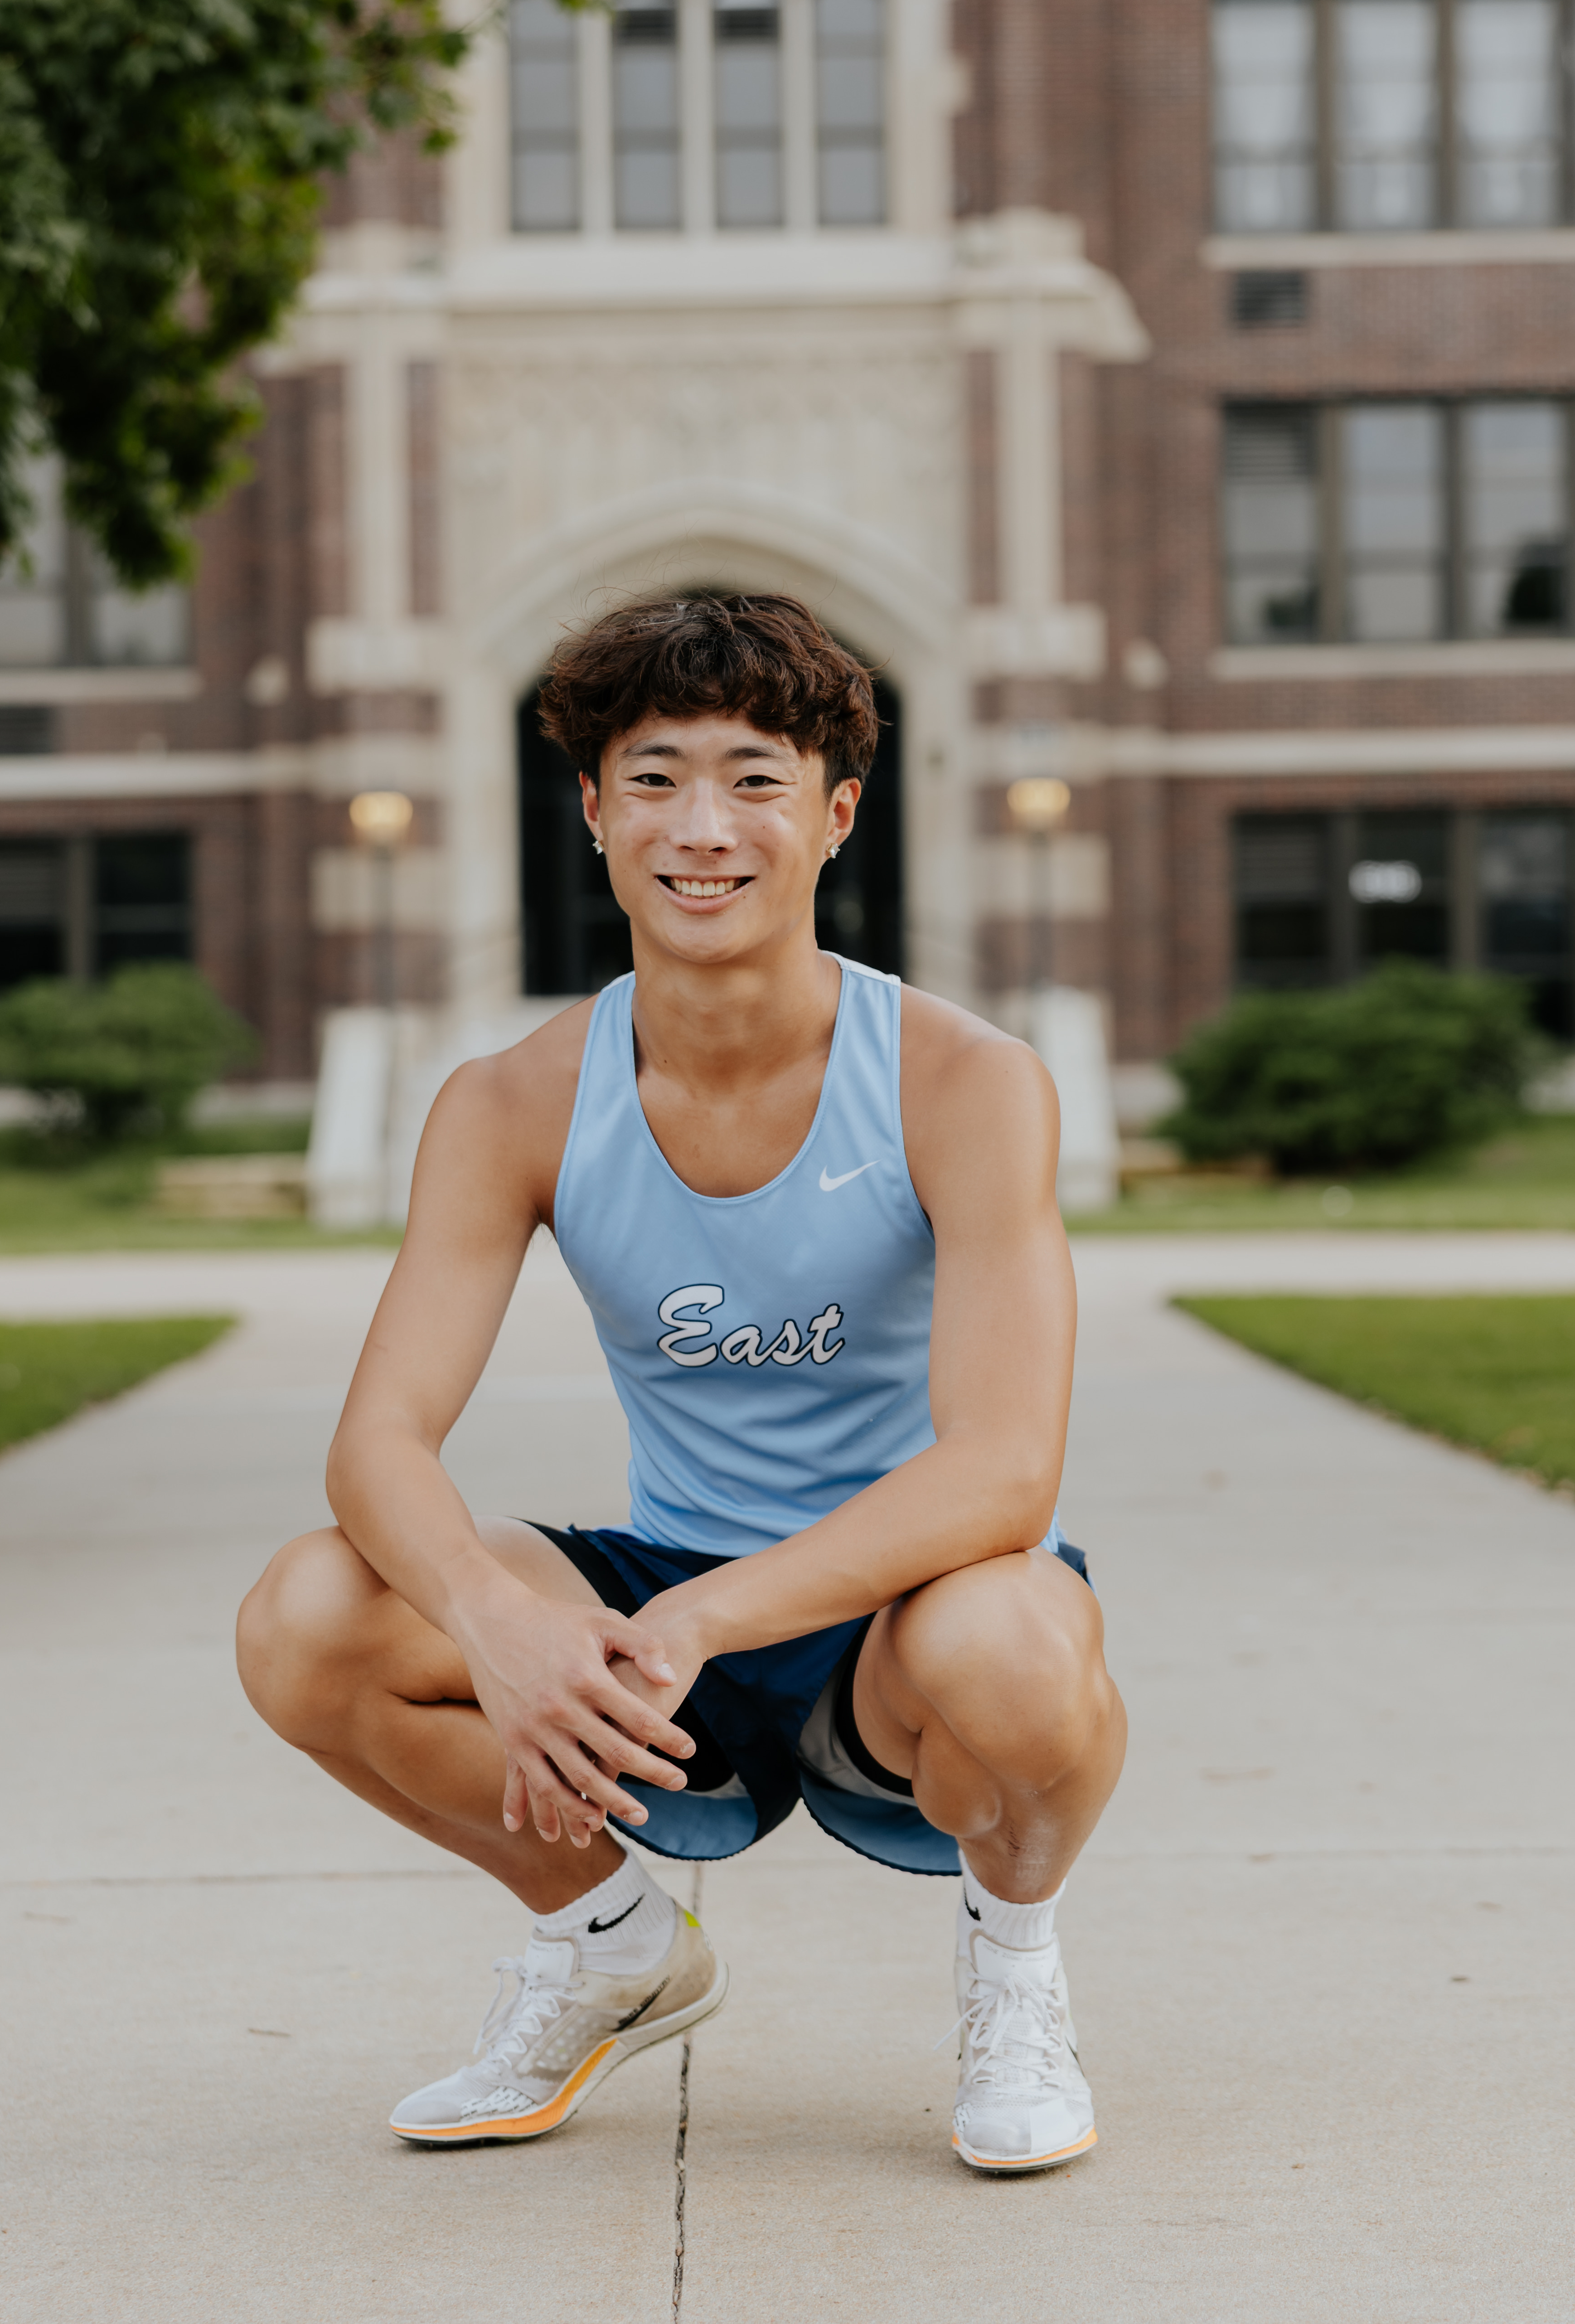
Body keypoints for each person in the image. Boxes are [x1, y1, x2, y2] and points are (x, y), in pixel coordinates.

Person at [237, 591, 1126, 2171]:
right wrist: (502, 1623)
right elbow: (379, 1439)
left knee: (1016, 1638)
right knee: (311, 1616)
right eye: (652, 779)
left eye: (753, 779)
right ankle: (609, 1945)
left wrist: (705, 1618)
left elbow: (1003, 1473)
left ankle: (1015, 1972)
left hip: (896, 1617)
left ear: (836, 814)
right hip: (664, 1622)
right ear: (590, 811)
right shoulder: (512, 1099)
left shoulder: (961, 1079)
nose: (700, 828)